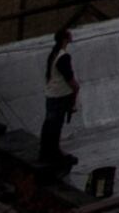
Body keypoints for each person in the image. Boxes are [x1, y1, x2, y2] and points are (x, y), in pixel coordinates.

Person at [39, 27, 76, 166]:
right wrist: (75, 87)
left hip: (52, 93)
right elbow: (69, 77)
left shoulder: (54, 54)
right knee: (56, 124)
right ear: (65, 38)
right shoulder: (63, 57)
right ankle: (53, 152)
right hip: (60, 94)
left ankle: (46, 151)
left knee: (49, 123)